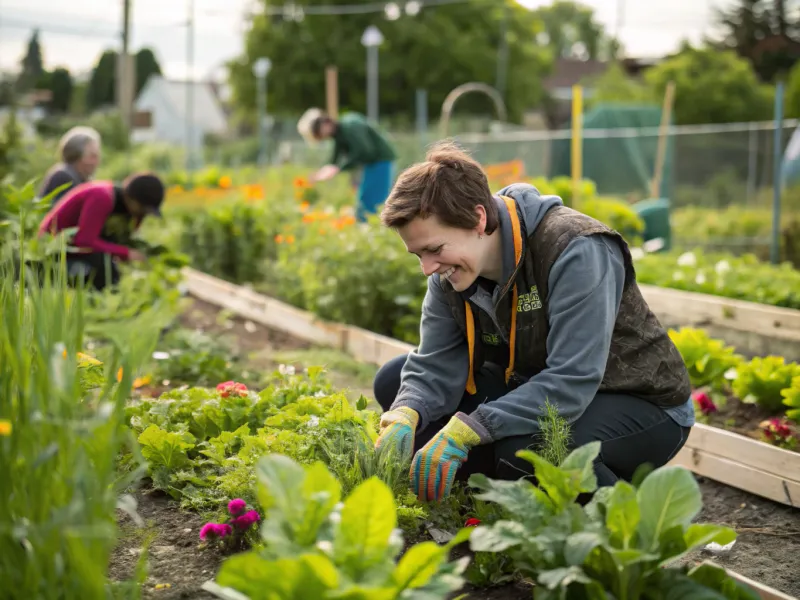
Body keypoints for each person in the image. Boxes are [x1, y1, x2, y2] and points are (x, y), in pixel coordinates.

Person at [373, 141, 694, 503]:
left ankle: (623, 520)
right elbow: (434, 362)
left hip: (634, 399)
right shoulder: (451, 273)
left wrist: (473, 428)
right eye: (418, 255)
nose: (428, 268)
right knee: (396, 384)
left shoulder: (576, 248)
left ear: (478, 219)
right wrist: (405, 411)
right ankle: (490, 492)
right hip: (532, 381)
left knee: (526, 452)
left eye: (434, 250)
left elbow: (572, 379)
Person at [38, 172, 165, 290]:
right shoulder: (102, 197)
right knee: (105, 267)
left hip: (72, 248)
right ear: (132, 199)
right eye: (143, 209)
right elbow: (84, 242)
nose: (143, 214)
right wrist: (126, 253)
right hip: (52, 249)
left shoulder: (124, 209)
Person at [297, 108, 397, 221]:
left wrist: (339, 168)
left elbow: (363, 150)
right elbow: (334, 158)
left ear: (324, 123)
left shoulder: (350, 126)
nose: (321, 137)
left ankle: (375, 229)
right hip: (371, 164)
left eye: (318, 134)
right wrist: (322, 172)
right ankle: (366, 228)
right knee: (364, 200)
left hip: (381, 161)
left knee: (374, 202)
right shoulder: (339, 133)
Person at [39, 126, 102, 205]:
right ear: (76, 156)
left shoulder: (79, 178)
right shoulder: (63, 176)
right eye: (92, 156)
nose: (96, 161)